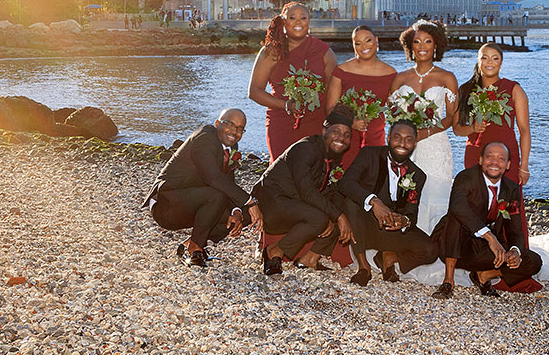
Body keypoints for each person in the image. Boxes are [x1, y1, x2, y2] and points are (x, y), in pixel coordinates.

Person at [143, 109, 262, 267]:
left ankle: (190, 243)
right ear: (217, 123)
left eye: (240, 128)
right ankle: (195, 250)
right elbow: (213, 178)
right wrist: (250, 201)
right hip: (167, 205)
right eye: (230, 125)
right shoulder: (205, 138)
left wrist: (236, 211)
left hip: (196, 201)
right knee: (217, 197)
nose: (235, 132)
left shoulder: (230, 144)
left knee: (246, 214)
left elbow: (227, 181)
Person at [431, 141, 542, 300]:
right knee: (456, 217)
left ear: (508, 165)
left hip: (485, 252)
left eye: (501, 158)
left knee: (534, 261)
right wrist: (490, 237)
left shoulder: (511, 189)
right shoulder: (466, 177)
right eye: (489, 157)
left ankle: (484, 276)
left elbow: (515, 229)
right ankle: (448, 282)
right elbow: (457, 206)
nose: (494, 162)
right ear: (481, 160)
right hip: (454, 246)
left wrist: (515, 251)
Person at [252, 106, 355, 275]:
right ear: (324, 130)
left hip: (294, 204)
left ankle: (310, 259)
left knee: (340, 208)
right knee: (322, 218)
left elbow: (328, 190)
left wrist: (337, 215)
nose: (341, 138)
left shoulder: (332, 154)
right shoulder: (306, 148)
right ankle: (273, 251)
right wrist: (338, 216)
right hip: (269, 204)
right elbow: (306, 191)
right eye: (336, 132)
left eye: (346, 135)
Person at [336, 120, 437, 286]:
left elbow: (412, 213)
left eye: (408, 139)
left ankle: (388, 256)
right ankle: (364, 267)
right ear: (388, 138)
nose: (402, 143)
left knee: (430, 250)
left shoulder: (417, 175)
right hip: (364, 226)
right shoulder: (369, 154)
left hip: (390, 231)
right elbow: (346, 183)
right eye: (397, 137)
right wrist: (374, 201)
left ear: (415, 144)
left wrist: (404, 221)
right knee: (351, 203)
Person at [387, 20, 459, 235]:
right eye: (417, 41)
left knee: (435, 195)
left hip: (435, 146)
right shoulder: (400, 78)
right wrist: (406, 134)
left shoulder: (447, 77)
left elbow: (450, 117)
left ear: (436, 45)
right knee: (404, 193)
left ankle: (436, 242)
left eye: (428, 41)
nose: (422, 46)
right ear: (410, 46)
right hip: (405, 147)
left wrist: (424, 133)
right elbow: (391, 114)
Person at [453, 42, 531, 235]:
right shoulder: (465, 90)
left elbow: (524, 130)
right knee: (476, 200)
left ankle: (512, 247)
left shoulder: (513, 89)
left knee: (508, 204)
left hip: (506, 155)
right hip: (476, 153)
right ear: (478, 61)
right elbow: (457, 129)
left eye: (495, 58)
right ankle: (477, 246)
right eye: (484, 57)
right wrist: (473, 128)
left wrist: (524, 166)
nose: (489, 62)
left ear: (501, 63)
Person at [248, 2, 337, 159]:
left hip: (316, 123)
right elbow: (254, 92)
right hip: (281, 122)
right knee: (282, 168)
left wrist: (331, 124)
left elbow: (334, 91)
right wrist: (286, 105)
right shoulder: (271, 51)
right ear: (283, 21)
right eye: (292, 18)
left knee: (314, 167)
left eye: (303, 18)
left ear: (309, 21)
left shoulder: (325, 52)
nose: (298, 22)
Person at [324, 25, 396, 171]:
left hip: (376, 140)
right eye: (358, 43)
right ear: (353, 45)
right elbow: (329, 109)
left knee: (374, 177)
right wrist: (351, 123)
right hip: (345, 140)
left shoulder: (391, 73)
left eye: (368, 40)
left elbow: (394, 111)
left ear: (376, 40)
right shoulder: (341, 71)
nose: (364, 47)